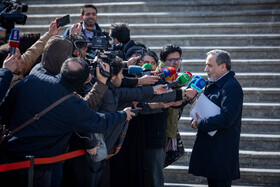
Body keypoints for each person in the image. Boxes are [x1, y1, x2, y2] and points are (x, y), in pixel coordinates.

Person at [0, 57, 135, 187]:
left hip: (8, 154)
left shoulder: (33, 78)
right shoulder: (73, 105)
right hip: (36, 166)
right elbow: (100, 122)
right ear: (83, 81)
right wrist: (123, 114)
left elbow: (5, 106)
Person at [189, 49, 243, 187]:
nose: (205, 69)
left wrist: (201, 123)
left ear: (223, 66)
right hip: (211, 150)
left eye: (210, 65)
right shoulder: (211, 84)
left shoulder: (232, 87)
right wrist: (195, 120)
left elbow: (227, 118)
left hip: (222, 151)